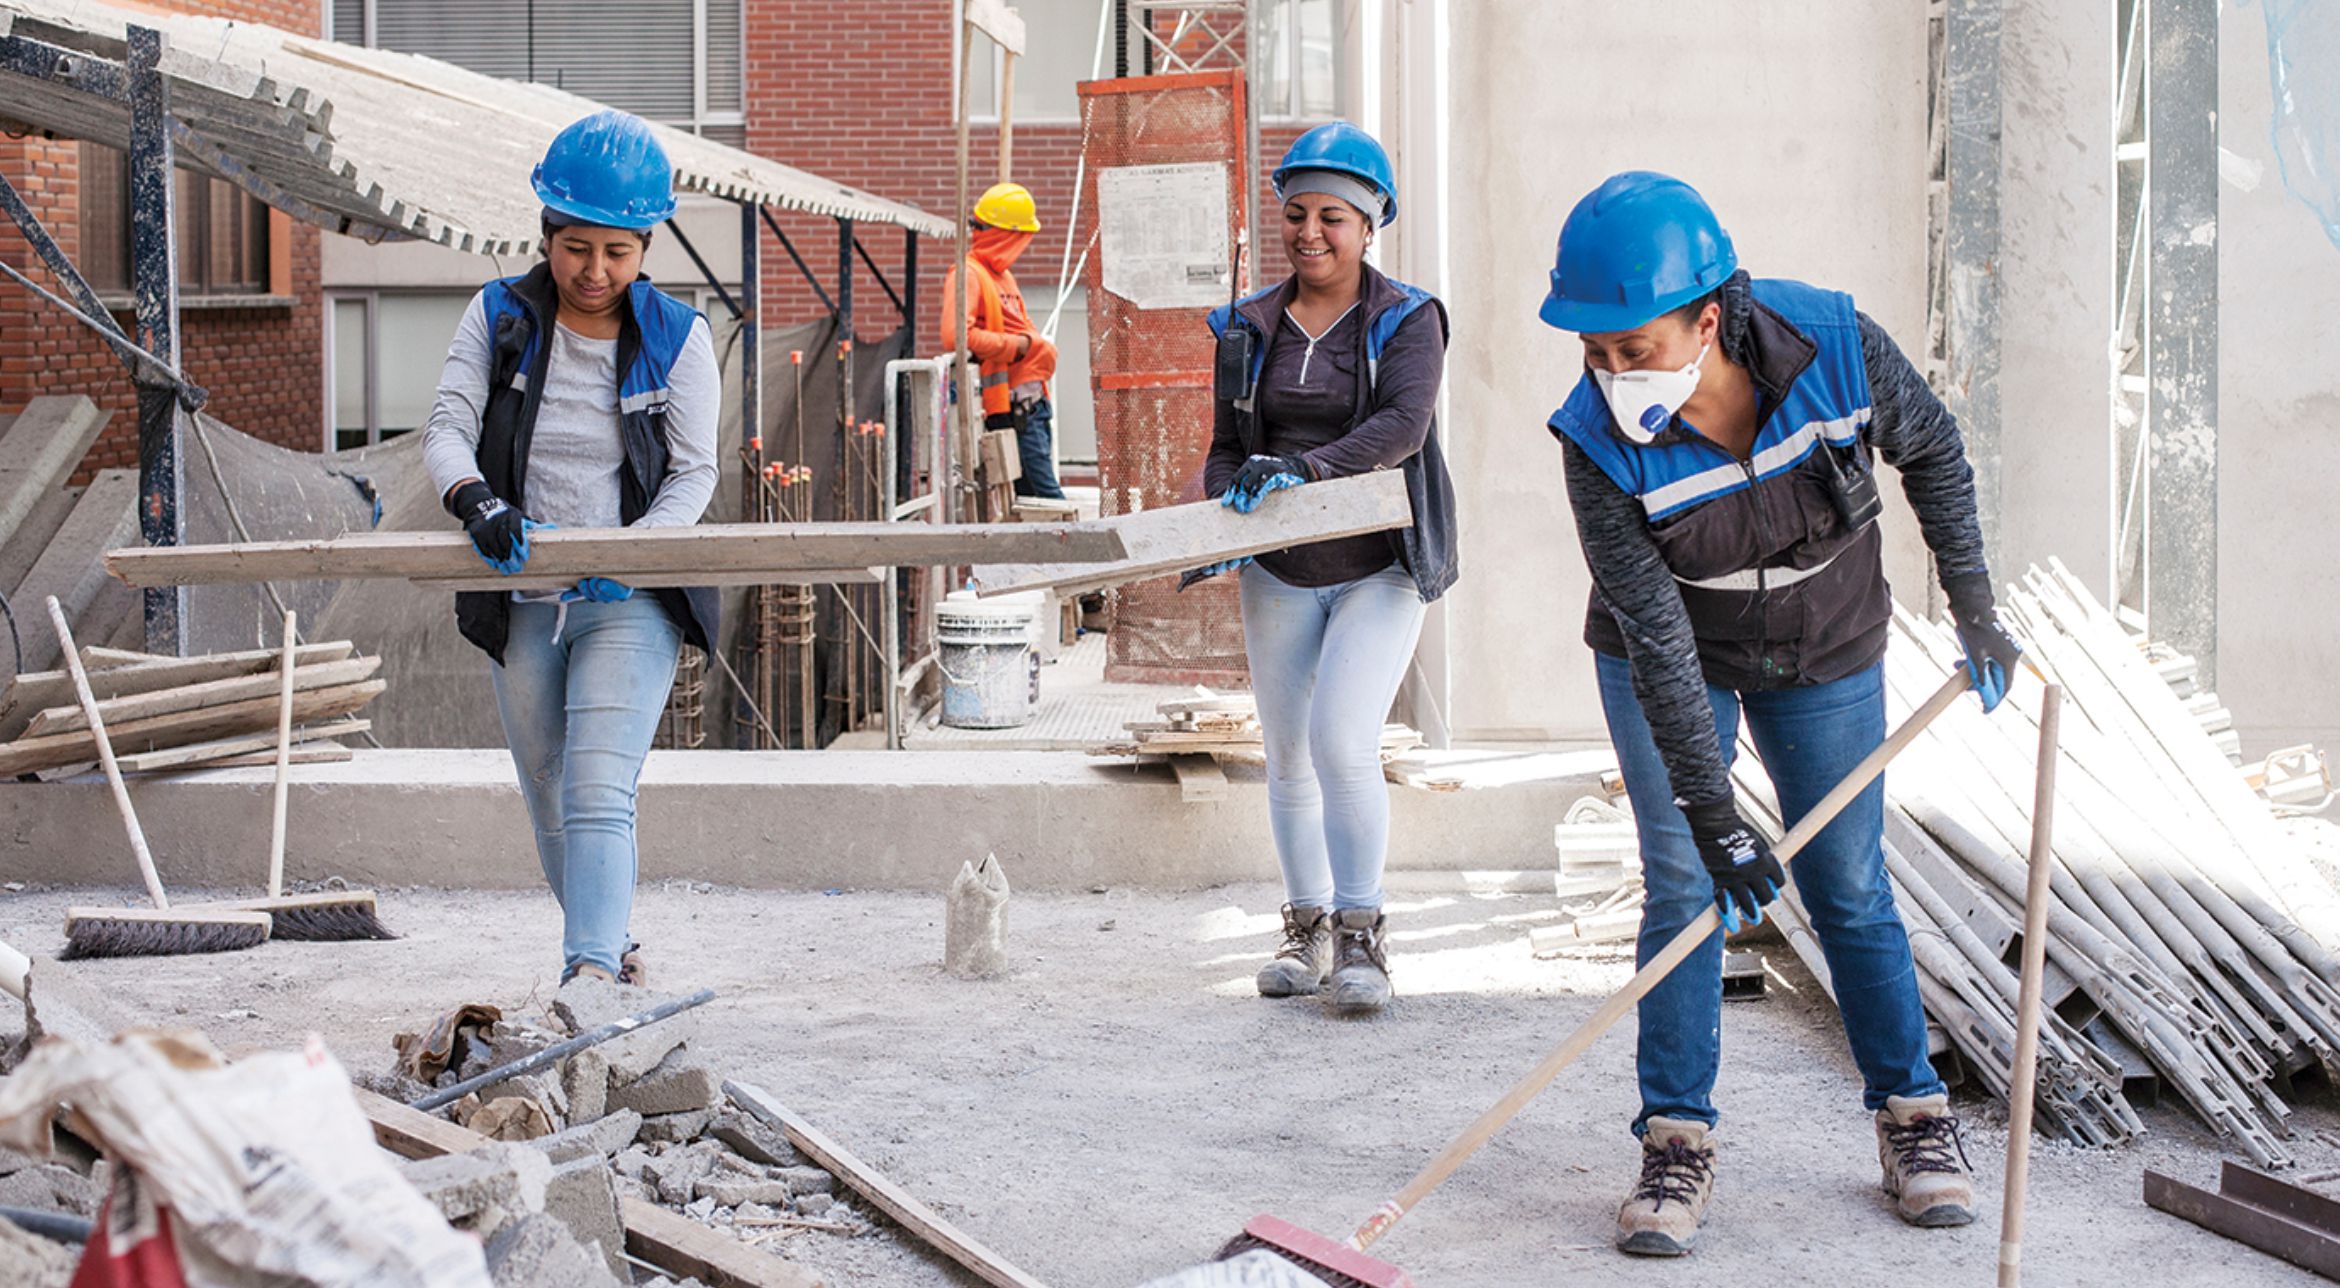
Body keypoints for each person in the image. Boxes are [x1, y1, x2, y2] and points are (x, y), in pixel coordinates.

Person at [1535, 171, 2023, 1253]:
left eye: (1635, 344)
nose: (1613, 372)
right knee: (1683, 888)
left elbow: (1933, 449)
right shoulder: (1593, 439)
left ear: (1709, 317)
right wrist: (1714, 816)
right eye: (1594, 350)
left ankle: (1914, 1119)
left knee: (1847, 881)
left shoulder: (1836, 346)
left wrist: (1976, 605)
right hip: (1673, 652)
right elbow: (1657, 642)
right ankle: (1676, 1139)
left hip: (1825, 639)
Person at [422, 110, 720, 987]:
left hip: (628, 596)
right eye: (576, 248)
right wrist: (477, 502)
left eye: (617, 252)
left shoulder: (678, 338)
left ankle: (586, 976)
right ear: (547, 235)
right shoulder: (499, 316)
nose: (596, 272)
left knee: (597, 788)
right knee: (549, 797)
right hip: (520, 592)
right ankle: (613, 950)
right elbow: (447, 429)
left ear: (644, 245)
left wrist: (629, 557)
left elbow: (693, 478)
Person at [1198, 121, 1457, 1015]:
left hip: (1382, 562)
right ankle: (1305, 925)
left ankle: (1363, 932)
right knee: (1286, 756)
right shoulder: (1247, 323)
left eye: (1333, 217)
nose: (1311, 232)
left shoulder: (1406, 318)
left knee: (1343, 742)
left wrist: (1302, 470)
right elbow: (1227, 447)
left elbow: (1403, 429)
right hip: (1279, 567)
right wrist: (1222, 512)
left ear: (1370, 223)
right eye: (1297, 213)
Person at [941, 181, 1065, 499]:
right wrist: (1017, 347)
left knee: (1030, 498)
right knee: (1047, 498)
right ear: (1007, 234)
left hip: (1032, 403)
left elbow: (1021, 323)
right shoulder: (969, 274)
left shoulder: (1002, 276)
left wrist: (1031, 343)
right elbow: (956, 336)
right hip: (1011, 409)